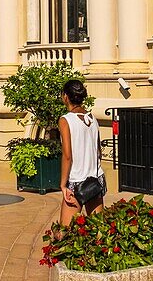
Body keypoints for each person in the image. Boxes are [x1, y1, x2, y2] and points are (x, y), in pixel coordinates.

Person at [57, 79, 105, 228]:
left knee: (64, 232)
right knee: (98, 233)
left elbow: (67, 155)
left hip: (76, 181)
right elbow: (98, 151)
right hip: (96, 180)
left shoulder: (65, 120)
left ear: (65, 96)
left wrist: (63, 185)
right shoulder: (93, 118)